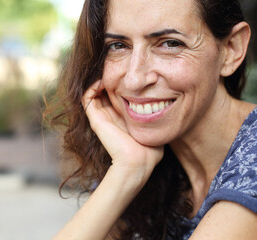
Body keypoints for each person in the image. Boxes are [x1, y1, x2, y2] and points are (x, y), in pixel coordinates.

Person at [45, 0, 257, 239]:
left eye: (170, 43)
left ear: (231, 49)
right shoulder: (156, 164)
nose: (135, 79)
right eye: (118, 45)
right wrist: (128, 170)